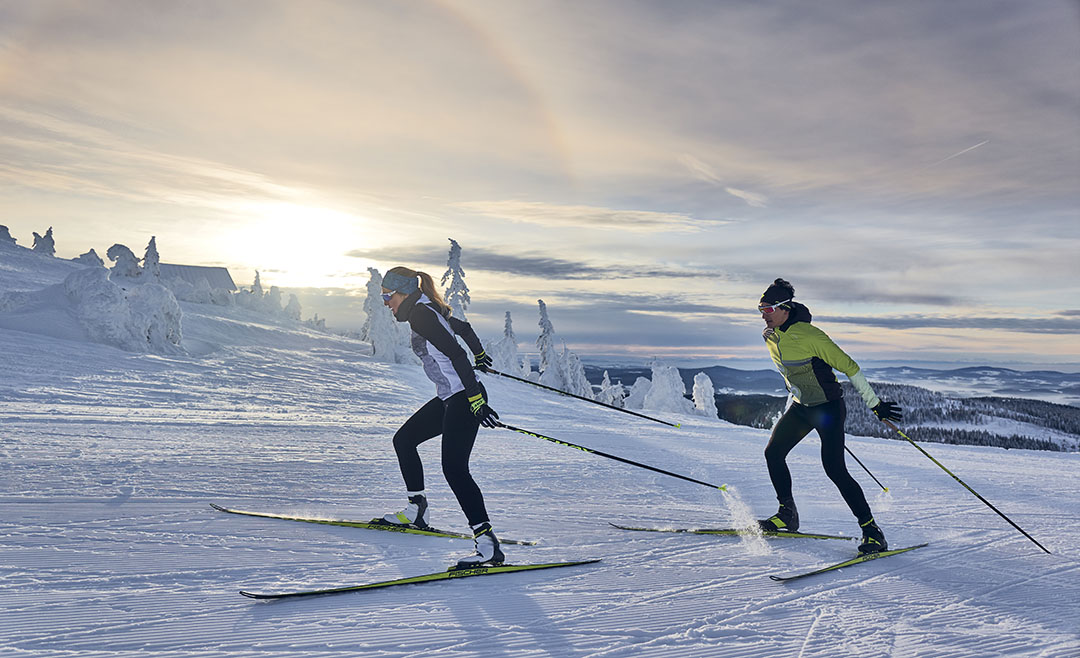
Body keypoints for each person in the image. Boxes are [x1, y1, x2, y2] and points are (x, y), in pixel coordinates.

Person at [756, 278, 902, 553]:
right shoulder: (770, 336)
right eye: (760, 309)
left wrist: (876, 405)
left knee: (834, 469)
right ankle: (787, 514)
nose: (763, 315)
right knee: (773, 453)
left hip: (827, 409)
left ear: (785, 308)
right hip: (801, 408)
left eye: (767, 309)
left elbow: (850, 367)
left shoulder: (810, 335)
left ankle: (872, 531)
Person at [377, 266, 503, 567]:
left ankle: (488, 544)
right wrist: (480, 355)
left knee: (455, 469)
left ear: (403, 292)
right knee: (404, 440)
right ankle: (417, 509)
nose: (385, 303)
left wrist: (475, 398)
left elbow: (457, 356)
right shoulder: (427, 309)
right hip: (451, 398)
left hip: (463, 399)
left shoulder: (422, 314)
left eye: (387, 296)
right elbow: (464, 329)